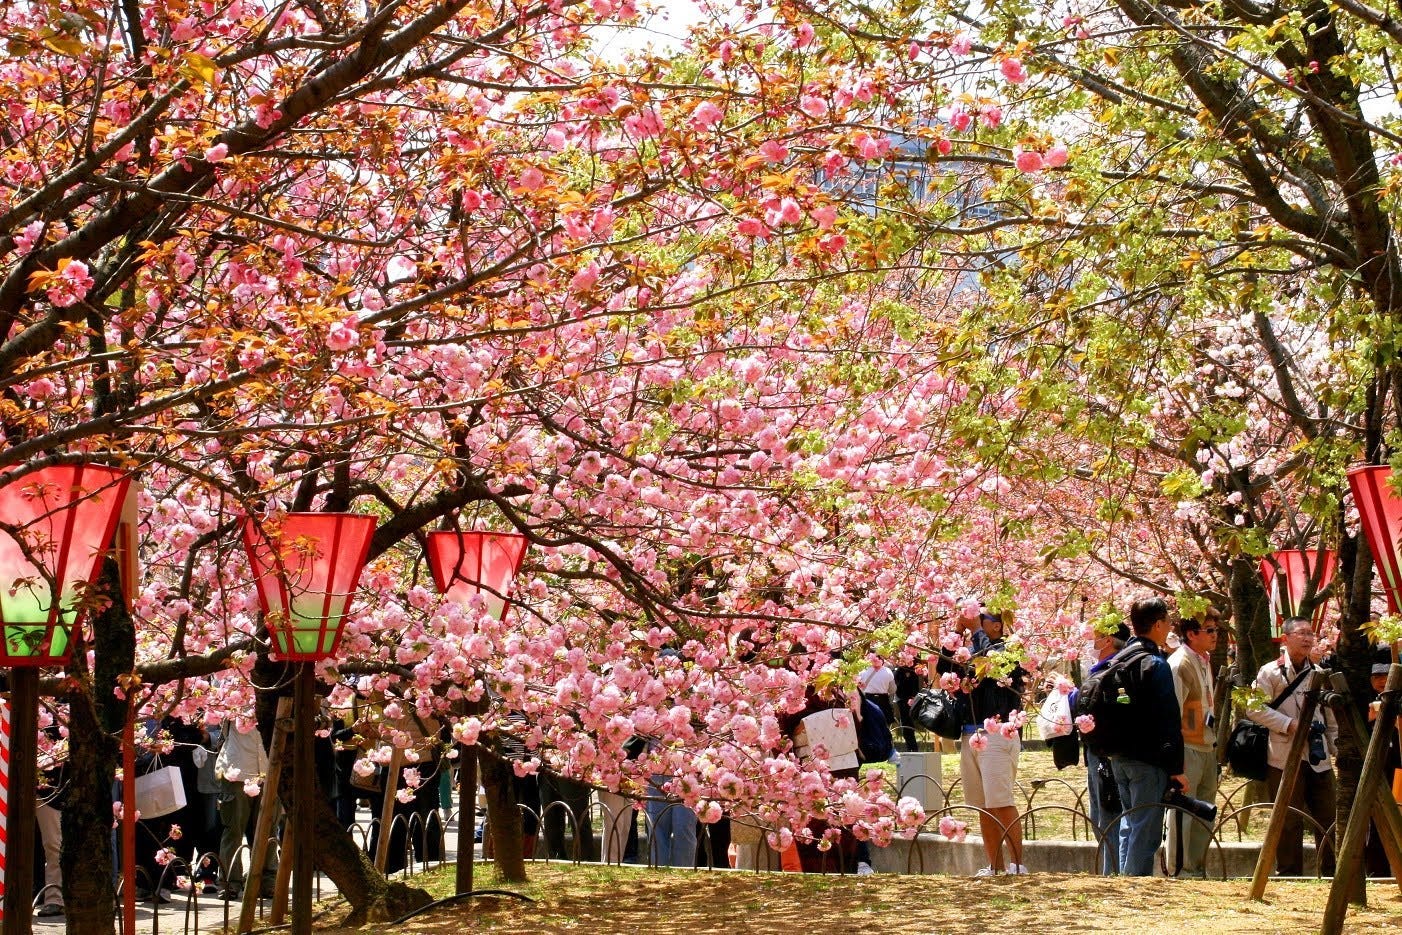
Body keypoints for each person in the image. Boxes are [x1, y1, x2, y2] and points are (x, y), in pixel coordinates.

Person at [1245, 616, 1337, 876]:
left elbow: (1329, 717)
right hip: (1283, 755)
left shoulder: (1319, 673)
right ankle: (1288, 874)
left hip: (1318, 757)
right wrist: (1288, 724)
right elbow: (1253, 708)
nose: (1308, 638)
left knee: (1328, 816)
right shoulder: (1269, 672)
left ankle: (1330, 872)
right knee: (1288, 819)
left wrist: (1334, 746)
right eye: (1301, 633)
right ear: (1285, 639)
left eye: (1311, 633)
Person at [941, 608, 1029, 875]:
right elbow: (945, 668)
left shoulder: (1008, 651)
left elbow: (993, 665)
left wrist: (976, 630)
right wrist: (956, 633)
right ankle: (994, 866)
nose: (975, 624)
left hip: (998, 734)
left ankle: (1016, 865)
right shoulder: (970, 653)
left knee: (1000, 802)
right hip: (971, 734)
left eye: (983, 621)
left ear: (997, 626)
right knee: (983, 806)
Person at [1106, 595, 1187, 876]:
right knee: (1146, 828)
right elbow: (1169, 719)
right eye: (1166, 622)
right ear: (1156, 624)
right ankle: (1134, 886)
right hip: (1148, 759)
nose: (1169, 628)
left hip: (1119, 756)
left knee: (1130, 823)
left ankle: (1125, 881)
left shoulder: (1118, 659)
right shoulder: (1155, 663)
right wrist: (1177, 767)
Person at [1166, 609, 1221, 875]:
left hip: (1207, 745)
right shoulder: (1180, 663)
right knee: (1183, 812)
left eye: (1215, 630)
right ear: (1191, 634)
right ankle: (1179, 870)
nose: (1215, 635)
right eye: (1209, 630)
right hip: (1187, 747)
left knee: (1204, 812)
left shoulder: (1204, 660)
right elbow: (1172, 713)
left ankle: (1197, 868)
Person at [1078, 621, 1129, 874]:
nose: (1091, 642)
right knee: (1101, 816)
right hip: (1095, 753)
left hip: (1107, 755)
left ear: (1108, 640)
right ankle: (1110, 871)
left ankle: (1114, 872)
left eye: (1095, 637)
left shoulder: (1115, 672)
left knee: (1110, 817)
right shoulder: (1099, 670)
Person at [215, 718, 280, 900]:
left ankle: (266, 882)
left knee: (268, 830)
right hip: (236, 770)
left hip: (270, 770)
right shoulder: (231, 693)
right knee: (233, 829)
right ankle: (229, 883)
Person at [857, 655, 898, 727]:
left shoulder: (863, 672)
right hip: (882, 699)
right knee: (884, 723)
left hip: (868, 698)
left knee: (869, 723)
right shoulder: (888, 671)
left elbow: (858, 687)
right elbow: (892, 689)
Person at [893, 664, 922, 752]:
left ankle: (913, 747)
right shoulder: (898, 672)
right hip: (902, 700)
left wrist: (913, 697)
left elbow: (917, 686)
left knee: (910, 723)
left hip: (913, 699)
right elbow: (897, 688)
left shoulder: (915, 671)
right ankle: (911, 747)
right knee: (906, 724)